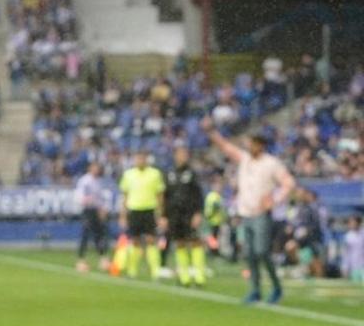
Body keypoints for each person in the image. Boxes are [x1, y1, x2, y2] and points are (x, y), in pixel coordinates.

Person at [203, 121, 295, 303]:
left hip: (261, 214)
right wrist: (211, 132)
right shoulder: (245, 159)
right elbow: (226, 147)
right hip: (246, 213)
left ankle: (276, 287)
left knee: (262, 251)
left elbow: (288, 183)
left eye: (253, 143)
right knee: (250, 254)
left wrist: (275, 200)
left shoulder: (271, 163)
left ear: (261, 145)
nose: (249, 146)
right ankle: (255, 289)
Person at [117, 149, 165, 280]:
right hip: (134, 210)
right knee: (135, 241)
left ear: (147, 159)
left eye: (142, 158)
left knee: (151, 240)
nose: (140, 161)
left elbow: (160, 195)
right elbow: (125, 196)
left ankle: (155, 271)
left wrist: (160, 214)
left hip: (149, 210)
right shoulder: (128, 174)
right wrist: (123, 215)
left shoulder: (155, 174)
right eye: (138, 158)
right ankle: (132, 270)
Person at [163, 146, 206, 287]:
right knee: (179, 243)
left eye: (185, 154)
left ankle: (199, 276)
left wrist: (198, 213)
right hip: (174, 214)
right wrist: (163, 215)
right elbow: (165, 196)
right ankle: (184, 276)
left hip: (190, 213)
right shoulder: (170, 173)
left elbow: (199, 195)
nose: (183, 156)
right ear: (175, 155)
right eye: (180, 154)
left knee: (195, 242)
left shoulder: (192, 174)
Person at [74, 161, 108, 272]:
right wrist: (86, 200)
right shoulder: (85, 181)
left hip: (96, 210)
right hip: (87, 210)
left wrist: (101, 208)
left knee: (99, 235)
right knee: (85, 234)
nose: (96, 169)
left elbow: (100, 197)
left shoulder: (98, 181)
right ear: (90, 168)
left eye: (97, 167)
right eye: (94, 167)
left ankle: (102, 258)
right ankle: (81, 260)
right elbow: (79, 196)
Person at [342, 215, 364, 283]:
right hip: (354, 267)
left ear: (358, 223)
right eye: (350, 223)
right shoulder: (348, 236)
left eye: (353, 222)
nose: (351, 224)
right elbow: (346, 253)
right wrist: (345, 267)